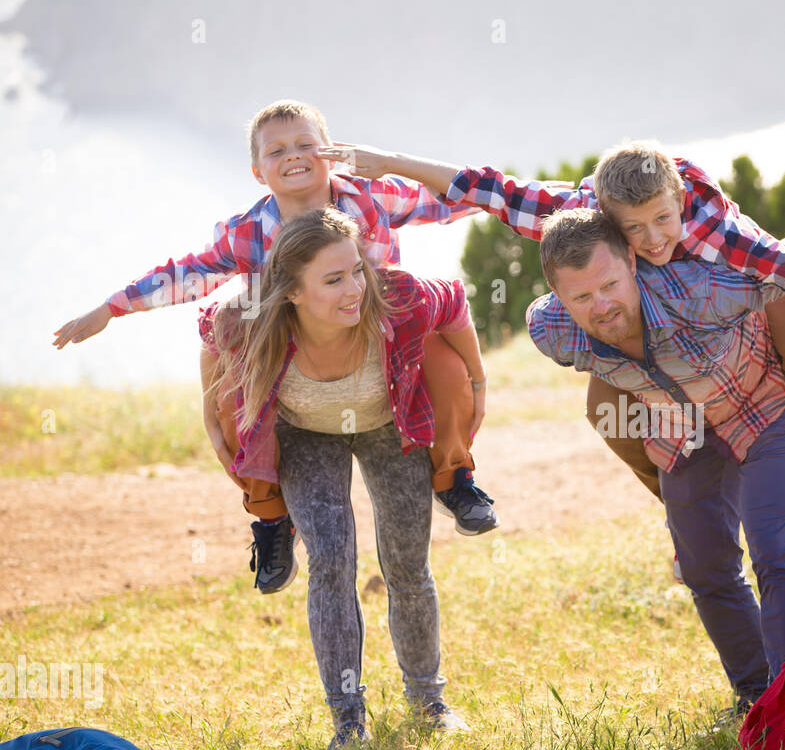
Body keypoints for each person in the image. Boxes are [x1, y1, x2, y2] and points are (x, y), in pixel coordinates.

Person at [317, 139, 785, 566]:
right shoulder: (587, 210)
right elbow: (491, 190)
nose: (649, 239)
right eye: (632, 228)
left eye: (661, 221)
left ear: (677, 201)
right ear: (604, 211)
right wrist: (388, 161)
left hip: (763, 297)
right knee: (606, 410)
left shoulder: (709, 227)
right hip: (671, 331)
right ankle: (689, 523)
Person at [52, 100, 498, 595]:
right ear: (257, 172)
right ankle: (270, 517)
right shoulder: (248, 233)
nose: (293, 155)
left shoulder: (372, 198)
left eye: (307, 144)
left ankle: (453, 477)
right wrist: (112, 308)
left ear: (332, 154)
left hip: (384, 351)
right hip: (297, 364)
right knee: (229, 393)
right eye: (276, 150)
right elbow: (187, 275)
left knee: (446, 361)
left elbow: (450, 198)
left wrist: (528, 197)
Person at [529, 208, 785, 713]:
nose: (600, 306)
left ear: (631, 260)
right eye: (580, 297)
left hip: (761, 404)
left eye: (609, 285)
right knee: (702, 566)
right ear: (559, 299)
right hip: (681, 427)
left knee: (776, 548)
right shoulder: (551, 332)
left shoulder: (700, 286)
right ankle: (759, 696)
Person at [200, 207, 474, 748]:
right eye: (333, 279)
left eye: (356, 271)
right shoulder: (253, 318)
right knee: (330, 560)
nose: (354, 289)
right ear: (294, 292)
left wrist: (480, 380)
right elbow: (211, 329)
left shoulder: (397, 296)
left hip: (387, 424)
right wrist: (211, 410)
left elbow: (457, 302)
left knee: (406, 561)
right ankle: (348, 721)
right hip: (306, 434)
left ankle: (428, 702)